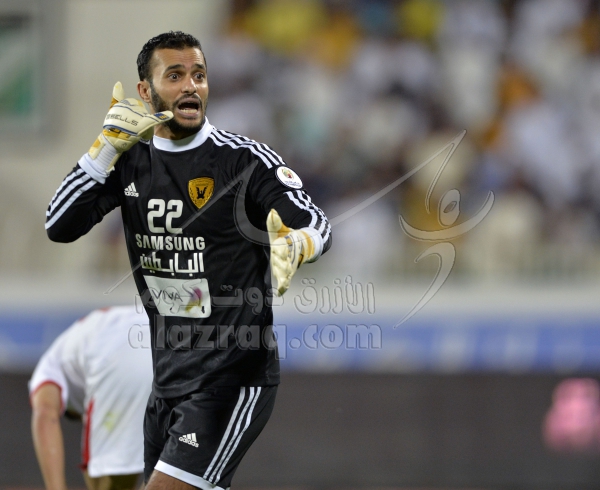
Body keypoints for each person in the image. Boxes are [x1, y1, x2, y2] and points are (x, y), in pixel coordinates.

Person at [45, 31, 332, 489]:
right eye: (175, 75)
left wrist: (298, 244)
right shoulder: (129, 161)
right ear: (146, 91)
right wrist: (103, 149)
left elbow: (315, 221)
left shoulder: (242, 160)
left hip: (232, 380)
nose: (190, 87)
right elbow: (59, 226)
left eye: (199, 75)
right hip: (166, 384)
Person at [29, 305, 152, 490]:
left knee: (110, 484)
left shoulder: (48, 366)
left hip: (119, 361)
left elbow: (45, 412)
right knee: (175, 468)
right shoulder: (93, 327)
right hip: (177, 345)